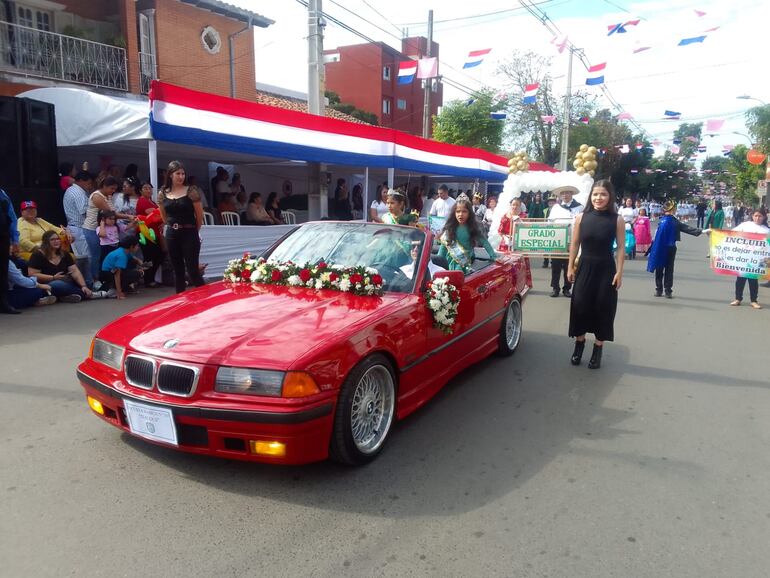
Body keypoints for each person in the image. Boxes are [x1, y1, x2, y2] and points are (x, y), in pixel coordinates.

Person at [567, 180, 625, 370]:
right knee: (580, 305)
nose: (599, 198)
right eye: (595, 194)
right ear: (590, 197)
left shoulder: (617, 220)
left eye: (603, 194)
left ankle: (597, 349)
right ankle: (579, 345)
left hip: (606, 269)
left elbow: (622, 247)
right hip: (585, 266)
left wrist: (619, 272)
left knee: (603, 307)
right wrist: (570, 267)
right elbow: (574, 244)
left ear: (610, 197)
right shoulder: (581, 218)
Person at [158, 161, 205, 293]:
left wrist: (194, 231)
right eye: (177, 173)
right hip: (172, 233)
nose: (181, 176)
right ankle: (180, 299)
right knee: (177, 270)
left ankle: (205, 299)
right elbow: (163, 216)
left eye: (183, 173)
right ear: (170, 175)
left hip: (189, 232)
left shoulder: (191, 191)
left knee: (192, 270)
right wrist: (173, 226)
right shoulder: (163, 192)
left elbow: (199, 215)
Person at [83, 176, 134, 285]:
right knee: (96, 255)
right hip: (92, 229)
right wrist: (128, 217)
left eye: (115, 189)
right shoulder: (97, 196)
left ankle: (105, 279)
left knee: (104, 255)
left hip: (105, 229)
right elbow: (111, 214)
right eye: (111, 188)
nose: (113, 191)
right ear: (104, 186)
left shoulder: (108, 196)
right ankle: (95, 280)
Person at [646, 199, 702, 298]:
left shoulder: (662, 220)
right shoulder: (674, 222)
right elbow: (687, 228)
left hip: (659, 247)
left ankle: (659, 290)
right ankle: (668, 291)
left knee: (659, 268)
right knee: (669, 269)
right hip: (670, 248)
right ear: (673, 210)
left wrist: (652, 248)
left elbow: (656, 236)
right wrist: (701, 231)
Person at [27, 230, 97, 302]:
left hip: (67, 281)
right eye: (52, 240)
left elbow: (74, 271)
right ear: (46, 242)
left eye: (58, 239)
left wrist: (83, 286)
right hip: (48, 283)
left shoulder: (64, 253)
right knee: (57, 284)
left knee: (87, 282)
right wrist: (53, 277)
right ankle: (86, 294)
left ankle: (66, 296)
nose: (56, 241)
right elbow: (32, 274)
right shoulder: (38, 255)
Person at [437, 194, 497, 273]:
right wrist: (437, 262)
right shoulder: (450, 228)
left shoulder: (472, 228)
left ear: (469, 213)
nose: (460, 214)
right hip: (449, 264)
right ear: (454, 213)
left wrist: (494, 257)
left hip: (465, 265)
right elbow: (443, 248)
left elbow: (484, 242)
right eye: (458, 211)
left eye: (464, 211)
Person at [727, 210, 769, 309]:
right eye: (755, 216)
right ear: (752, 216)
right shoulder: (745, 225)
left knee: (753, 280)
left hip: (757, 259)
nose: (757, 218)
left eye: (760, 216)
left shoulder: (766, 230)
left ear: (764, 217)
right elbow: (731, 233)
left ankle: (754, 301)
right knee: (740, 279)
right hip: (743, 257)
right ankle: (738, 299)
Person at [547, 185, 584, 297]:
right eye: (563, 193)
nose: (565, 195)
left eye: (568, 193)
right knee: (556, 265)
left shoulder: (580, 207)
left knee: (570, 265)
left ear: (572, 194)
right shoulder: (556, 208)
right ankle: (555, 288)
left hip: (574, 241)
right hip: (558, 240)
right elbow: (550, 222)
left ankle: (567, 288)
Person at [62, 170, 94, 281]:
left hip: (78, 227)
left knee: (86, 256)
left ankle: (87, 281)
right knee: (86, 257)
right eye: (89, 183)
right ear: (81, 181)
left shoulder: (74, 190)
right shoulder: (77, 191)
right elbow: (84, 211)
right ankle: (87, 282)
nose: (90, 186)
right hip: (78, 228)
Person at [135, 182, 164, 288]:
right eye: (145, 188)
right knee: (150, 256)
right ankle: (148, 279)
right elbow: (153, 215)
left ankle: (150, 278)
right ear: (141, 191)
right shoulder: (142, 201)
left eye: (150, 188)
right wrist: (161, 214)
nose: (148, 190)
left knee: (158, 255)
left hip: (154, 232)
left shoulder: (152, 202)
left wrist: (162, 217)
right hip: (145, 232)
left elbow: (159, 214)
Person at [100, 235, 143, 299]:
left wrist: (138, 261)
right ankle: (115, 289)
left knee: (133, 262)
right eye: (137, 246)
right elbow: (117, 274)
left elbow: (132, 257)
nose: (138, 248)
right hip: (108, 274)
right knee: (137, 274)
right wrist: (119, 293)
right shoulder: (122, 255)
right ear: (131, 246)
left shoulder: (124, 250)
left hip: (109, 271)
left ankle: (123, 288)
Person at [1, 188, 21, 313]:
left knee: (2, 271)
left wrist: (15, 239)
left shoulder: (2, 193)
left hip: (2, 237)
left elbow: (11, 216)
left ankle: (3, 303)